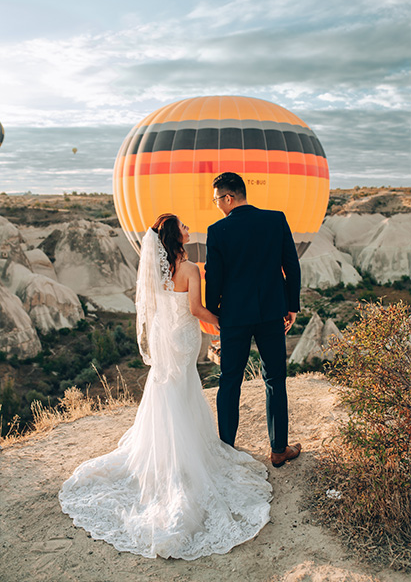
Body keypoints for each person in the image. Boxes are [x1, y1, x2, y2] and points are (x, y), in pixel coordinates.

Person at [59, 213, 272, 560]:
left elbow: (155, 309)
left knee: (166, 390)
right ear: (177, 236)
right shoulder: (190, 270)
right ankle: (186, 459)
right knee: (186, 388)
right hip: (185, 338)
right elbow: (197, 309)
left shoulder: (156, 271)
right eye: (185, 227)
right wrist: (226, 323)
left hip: (163, 338)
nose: (190, 230)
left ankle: (168, 452)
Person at [205, 172, 302, 468]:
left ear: (228, 198)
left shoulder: (217, 230)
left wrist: (214, 311)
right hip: (272, 312)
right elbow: (291, 267)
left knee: (230, 380)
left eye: (216, 200)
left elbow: (214, 277)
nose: (216, 205)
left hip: (235, 316)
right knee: (275, 379)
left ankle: (226, 450)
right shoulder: (276, 219)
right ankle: (278, 450)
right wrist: (291, 306)